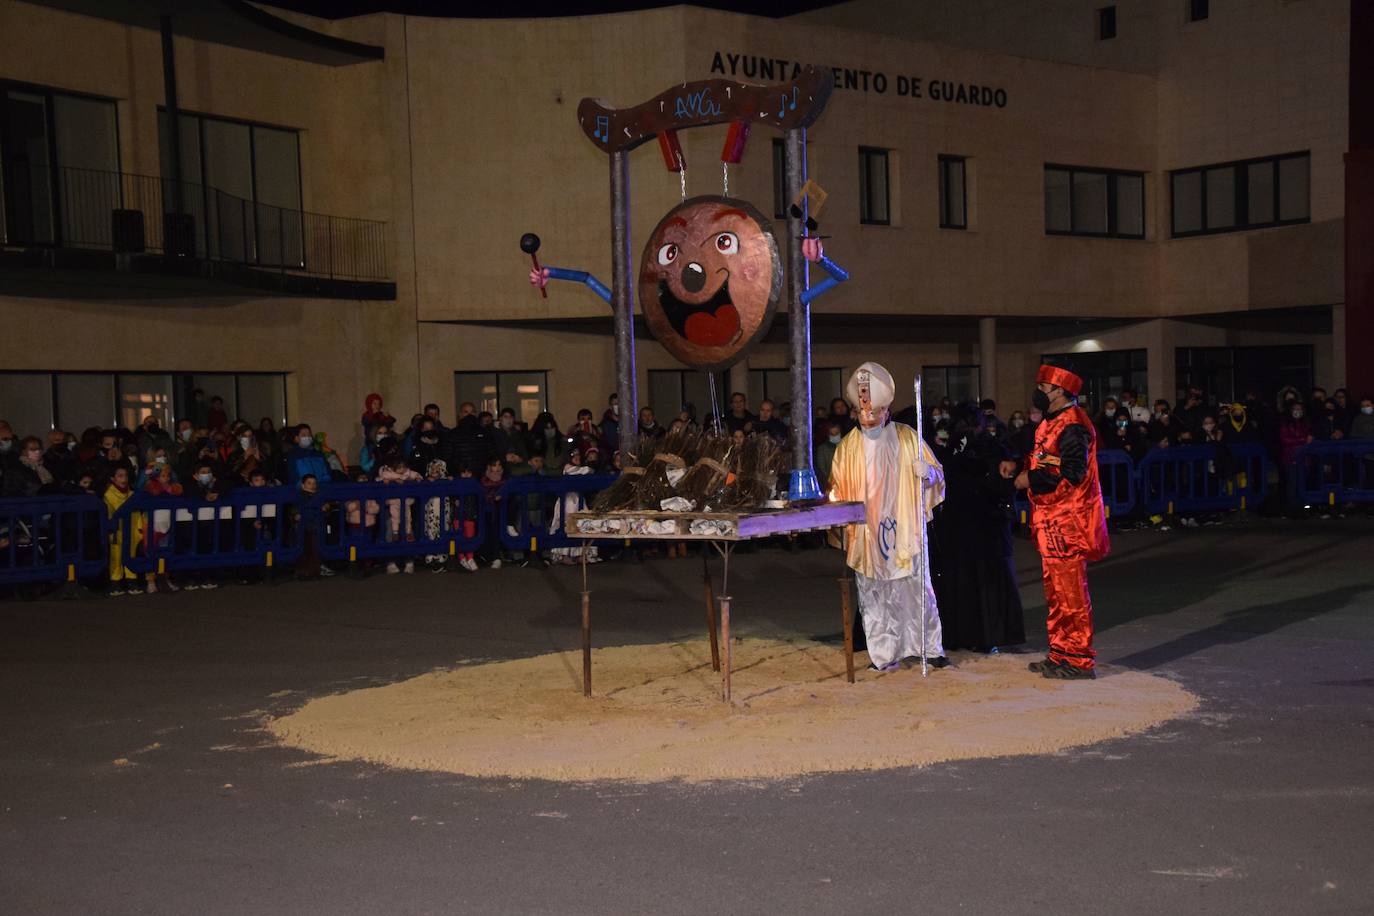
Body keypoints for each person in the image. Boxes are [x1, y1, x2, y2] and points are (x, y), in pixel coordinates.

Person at [827, 362, 946, 671]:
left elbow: (938, 477)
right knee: (874, 595)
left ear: (886, 411)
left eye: (874, 412)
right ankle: (883, 653)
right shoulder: (847, 448)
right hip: (867, 529)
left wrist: (928, 474)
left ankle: (928, 648)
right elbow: (837, 487)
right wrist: (837, 507)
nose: (868, 417)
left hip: (904, 524)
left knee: (915, 588)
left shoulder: (907, 437)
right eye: (862, 412)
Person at [1013, 364, 1110, 679]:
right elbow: (1043, 458)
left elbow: (1072, 472)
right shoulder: (1050, 422)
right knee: (1055, 592)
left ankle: (1079, 659)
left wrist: (1030, 479)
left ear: (1059, 391)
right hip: (1049, 519)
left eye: (1043, 387)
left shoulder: (1073, 426)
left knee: (1071, 594)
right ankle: (1060, 653)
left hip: (1067, 520)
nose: (1038, 392)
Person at [932, 416, 1025, 653]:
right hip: (977, 529)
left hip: (971, 529)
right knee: (981, 584)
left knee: (971, 583)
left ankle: (968, 635)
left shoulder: (966, 451)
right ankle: (984, 636)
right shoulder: (985, 449)